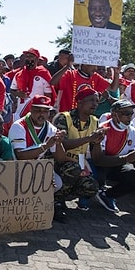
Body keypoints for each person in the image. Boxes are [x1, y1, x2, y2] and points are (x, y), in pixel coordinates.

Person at [52, 87, 103, 218]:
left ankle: (62, 196)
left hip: (78, 163)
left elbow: (96, 156)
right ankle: (55, 202)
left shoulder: (95, 121)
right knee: (73, 169)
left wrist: (97, 142)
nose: (95, 104)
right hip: (58, 162)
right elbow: (62, 144)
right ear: (80, 102)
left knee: (91, 186)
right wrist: (89, 138)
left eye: (97, 101)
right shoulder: (63, 118)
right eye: (91, 100)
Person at [92, 100, 135, 212]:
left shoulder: (133, 132)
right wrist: (127, 158)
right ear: (114, 114)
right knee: (97, 179)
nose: (130, 117)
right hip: (100, 164)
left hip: (118, 164)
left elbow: (134, 162)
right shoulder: (104, 128)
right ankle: (87, 197)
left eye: (131, 113)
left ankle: (108, 195)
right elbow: (98, 160)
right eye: (126, 113)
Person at [51, 55, 119, 113]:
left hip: (85, 118)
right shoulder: (70, 74)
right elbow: (52, 82)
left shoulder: (95, 77)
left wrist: (116, 72)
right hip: (67, 116)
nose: (96, 69)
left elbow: (113, 88)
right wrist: (67, 66)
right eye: (94, 65)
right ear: (85, 64)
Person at [10, 48, 53, 122]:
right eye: (27, 56)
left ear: (37, 59)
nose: (28, 59)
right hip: (20, 112)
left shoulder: (43, 74)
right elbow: (12, 90)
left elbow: (48, 95)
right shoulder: (18, 75)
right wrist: (18, 93)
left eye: (31, 57)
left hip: (38, 113)